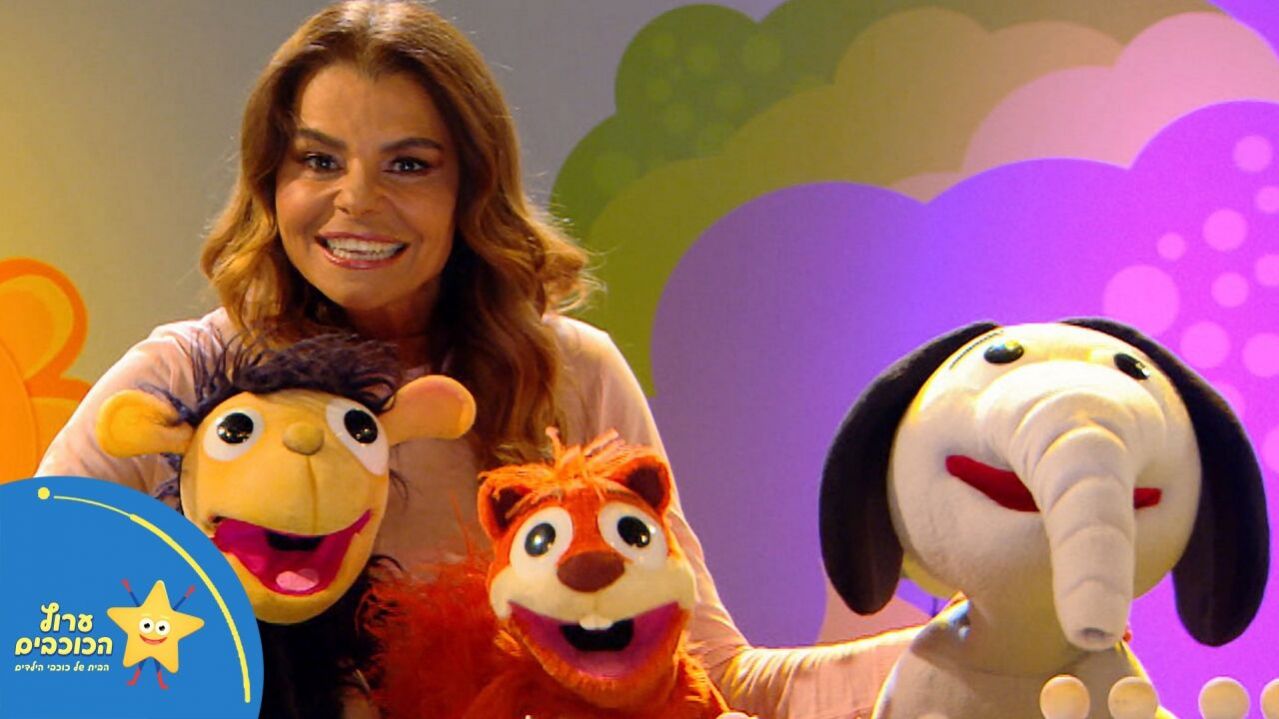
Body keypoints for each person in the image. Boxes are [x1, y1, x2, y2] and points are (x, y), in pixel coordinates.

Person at [37, 1, 912, 716]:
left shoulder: (568, 373)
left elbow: (706, 670)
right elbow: (31, 619)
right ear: (271, 180)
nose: (355, 201)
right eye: (318, 160)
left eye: (408, 165)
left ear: (471, 187)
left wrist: (948, 656)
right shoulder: (185, 379)